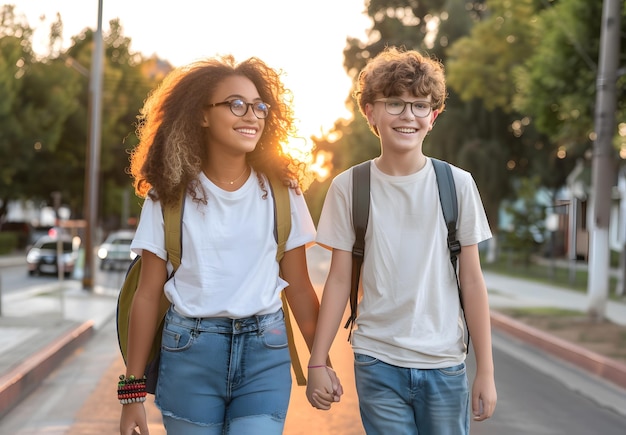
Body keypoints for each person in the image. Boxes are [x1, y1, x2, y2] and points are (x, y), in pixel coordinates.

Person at [119, 55, 340, 435]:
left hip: (265, 354)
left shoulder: (282, 192)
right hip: (189, 352)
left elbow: (301, 289)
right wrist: (132, 394)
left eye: (259, 107)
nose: (251, 115)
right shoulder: (168, 194)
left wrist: (320, 363)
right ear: (202, 115)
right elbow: (147, 294)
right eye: (236, 104)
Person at [306, 46, 497, 434]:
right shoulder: (349, 187)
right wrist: (318, 361)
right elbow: (339, 280)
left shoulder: (456, 184)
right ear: (370, 112)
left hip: (445, 362)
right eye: (394, 103)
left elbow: (473, 281)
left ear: (434, 116)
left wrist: (486, 372)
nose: (408, 115)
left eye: (420, 106)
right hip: (378, 359)